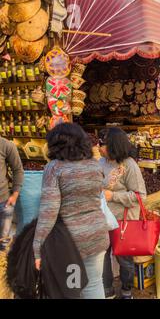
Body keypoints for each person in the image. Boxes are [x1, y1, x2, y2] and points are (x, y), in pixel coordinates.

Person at [33, 123, 110, 299]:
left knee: (72, 288)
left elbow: (48, 212)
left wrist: (37, 248)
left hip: (72, 243)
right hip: (98, 234)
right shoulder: (94, 165)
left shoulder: (54, 168)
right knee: (94, 283)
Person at [99, 127, 147, 300]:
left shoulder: (130, 165)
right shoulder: (101, 162)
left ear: (113, 145)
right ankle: (107, 290)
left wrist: (113, 195)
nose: (98, 147)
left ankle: (127, 290)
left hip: (122, 221)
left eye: (102, 144)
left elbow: (140, 196)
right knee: (103, 255)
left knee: (124, 258)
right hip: (104, 218)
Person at [0, 135, 24, 250]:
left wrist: (15, 194)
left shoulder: (6, 145)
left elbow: (18, 169)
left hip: (3, 202)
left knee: (3, 243)